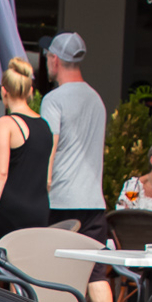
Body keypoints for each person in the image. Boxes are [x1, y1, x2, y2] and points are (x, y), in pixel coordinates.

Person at [40, 32, 108, 233]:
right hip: (94, 204)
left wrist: (42, 190)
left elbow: (49, 149)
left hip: (61, 202)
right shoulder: (96, 100)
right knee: (90, 265)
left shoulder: (54, 100)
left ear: (55, 60)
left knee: (56, 263)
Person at [0, 56, 54, 241]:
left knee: (3, 265)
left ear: (4, 91)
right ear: (30, 91)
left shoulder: (6, 124)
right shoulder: (44, 126)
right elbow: (47, 178)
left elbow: (0, 172)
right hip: (39, 210)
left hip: (11, 212)